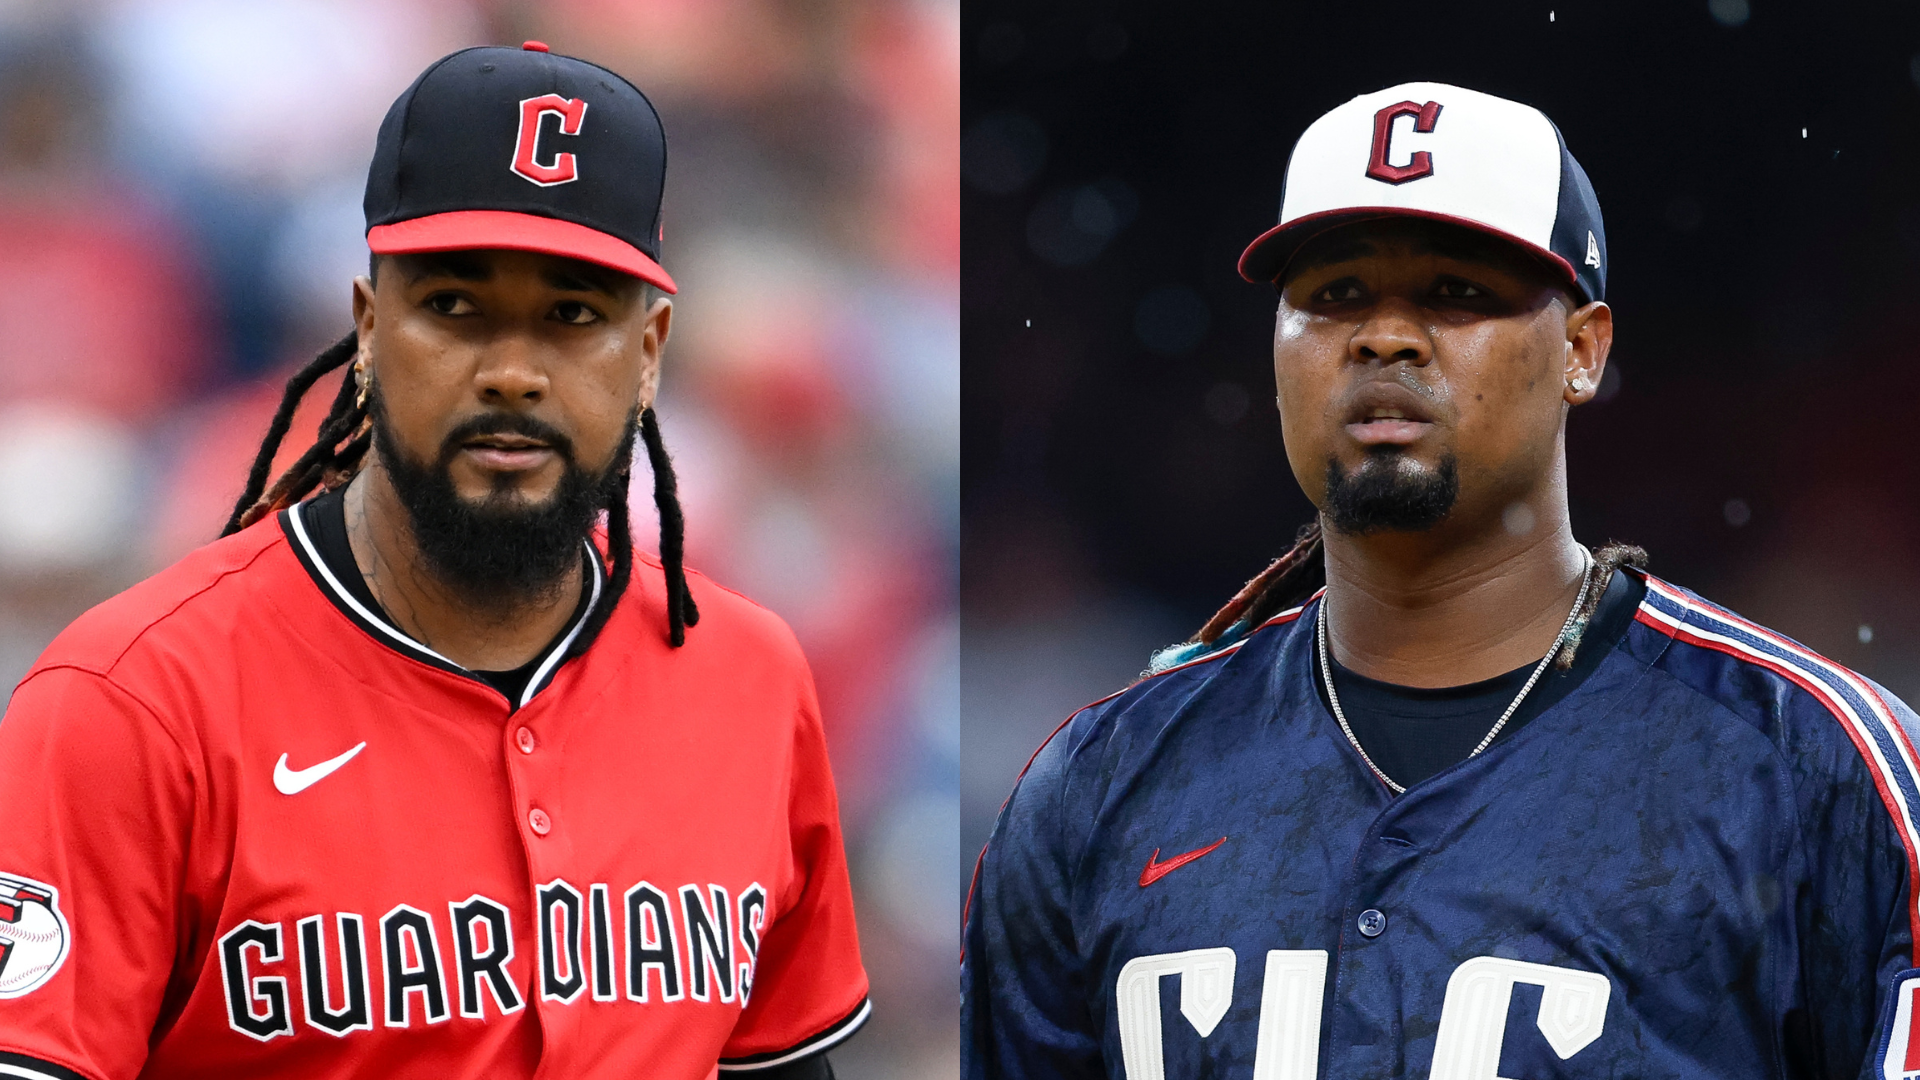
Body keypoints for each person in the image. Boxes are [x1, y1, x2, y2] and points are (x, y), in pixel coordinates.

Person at [962, 81, 1920, 1079]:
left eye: (1456, 293)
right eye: (1333, 298)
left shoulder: (1813, 768)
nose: (1385, 337)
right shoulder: (1101, 784)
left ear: (1583, 352)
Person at [0, 43, 868, 1080]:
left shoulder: (753, 680)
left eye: (574, 316)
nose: (511, 372)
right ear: (368, 329)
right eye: (455, 307)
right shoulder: (131, 702)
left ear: (650, 353)